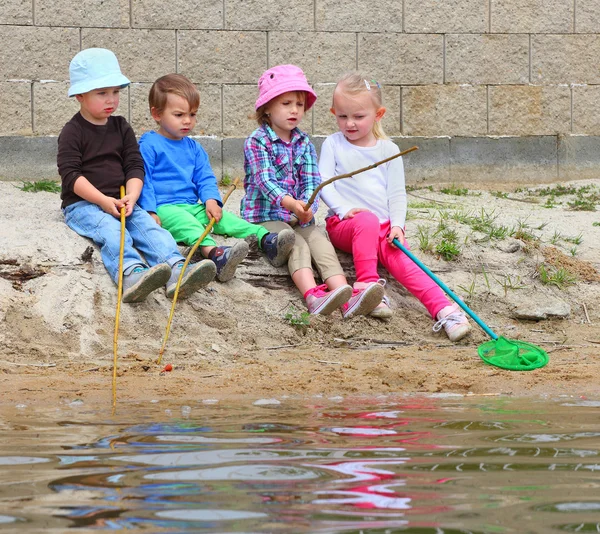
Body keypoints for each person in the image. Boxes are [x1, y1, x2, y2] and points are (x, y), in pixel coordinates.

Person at [319, 72, 471, 341]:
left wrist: (398, 226)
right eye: (342, 116)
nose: (349, 123)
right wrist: (343, 210)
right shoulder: (333, 144)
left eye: (358, 116)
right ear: (334, 112)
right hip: (345, 225)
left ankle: (446, 311)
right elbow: (324, 184)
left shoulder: (389, 150)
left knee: (407, 265)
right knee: (365, 220)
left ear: (378, 114)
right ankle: (366, 288)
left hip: (383, 228)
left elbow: (397, 194)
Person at [57, 48, 216, 303]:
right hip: (85, 204)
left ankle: (176, 268)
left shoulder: (121, 127)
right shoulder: (73, 131)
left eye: (115, 92)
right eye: (102, 93)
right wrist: (102, 201)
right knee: (112, 231)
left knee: (150, 228)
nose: (111, 99)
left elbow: (134, 165)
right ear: (79, 95)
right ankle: (130, 274)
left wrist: (132, 195)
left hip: (122, 199)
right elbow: (71, 176)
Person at [242, 65, 383, 317]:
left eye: (299, 104)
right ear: (266, 108)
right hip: (267, 217)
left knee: (320, 242)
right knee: (296, 244)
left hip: (299, 215)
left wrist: (308, 207)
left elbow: (311, 180)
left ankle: (346, 295)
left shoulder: (303, 142)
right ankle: (312, 296)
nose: (294, 110)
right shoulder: (257, 140)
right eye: (286, 103)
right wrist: (290, 203)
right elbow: (265, 181)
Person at [138, 74, 296, 282]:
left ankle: (266, 240)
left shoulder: (194, 148)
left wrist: (211, 200)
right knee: (189, 225)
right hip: (164, 208)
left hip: (192, 206)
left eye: (192, 114)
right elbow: (143, 179)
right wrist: (150, 211)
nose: (187, 121)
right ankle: (216, 255)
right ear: (157, 114)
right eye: (179, 115)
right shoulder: (148, 144)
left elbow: (204, 177)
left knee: (227, 220)